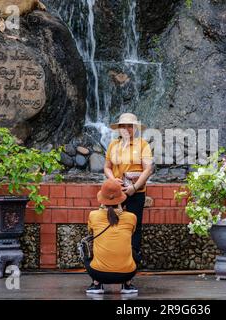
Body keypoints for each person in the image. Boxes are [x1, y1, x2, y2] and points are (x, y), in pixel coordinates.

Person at [104, 113, 154, 263]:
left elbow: (148, 169)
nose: (126, 129)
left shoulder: (143, 145)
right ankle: (112, 259)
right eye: (123, 126)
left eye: (129, 126)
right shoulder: (113, 145)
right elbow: (107, 167)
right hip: (116, 191)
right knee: (111, 222)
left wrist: (135, 186)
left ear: (135, 128)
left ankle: (133, 262)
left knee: (134, 226)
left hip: (136, 192)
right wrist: (113, 181)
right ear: (119, 129)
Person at [86, 179, 138, 294]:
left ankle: (97, 284)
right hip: (126, 273)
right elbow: (131, 233)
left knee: (87, 250)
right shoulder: (131, 217)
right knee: (132, 250)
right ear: (121, 199)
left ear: (102, 200)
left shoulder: (93, 215)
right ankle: (127, 285)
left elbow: (91, 232)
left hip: (98, 273)